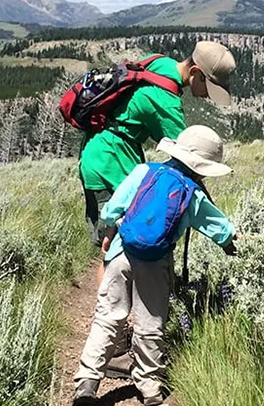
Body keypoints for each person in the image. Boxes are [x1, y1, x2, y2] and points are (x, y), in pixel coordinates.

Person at [73, 125, 238, 406]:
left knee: (108, 317)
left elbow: (114, 207)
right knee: (150, 324)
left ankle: (87, 382)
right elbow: (220, 229)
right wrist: (231, 243)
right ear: (202, 167)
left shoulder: (144, 171)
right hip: (155, 261)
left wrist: (110, 230)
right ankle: (149, 387)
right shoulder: (193, 194)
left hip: (121, 252)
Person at [80, 41, 237, 251]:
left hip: (96, 152)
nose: (209, 94)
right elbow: (191, 164)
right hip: (110, 163)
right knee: (118, 247)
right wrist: (220, 223)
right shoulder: (166, 102)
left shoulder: (160, 62)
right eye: (210, 86)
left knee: (115, 244)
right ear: (195, 72)